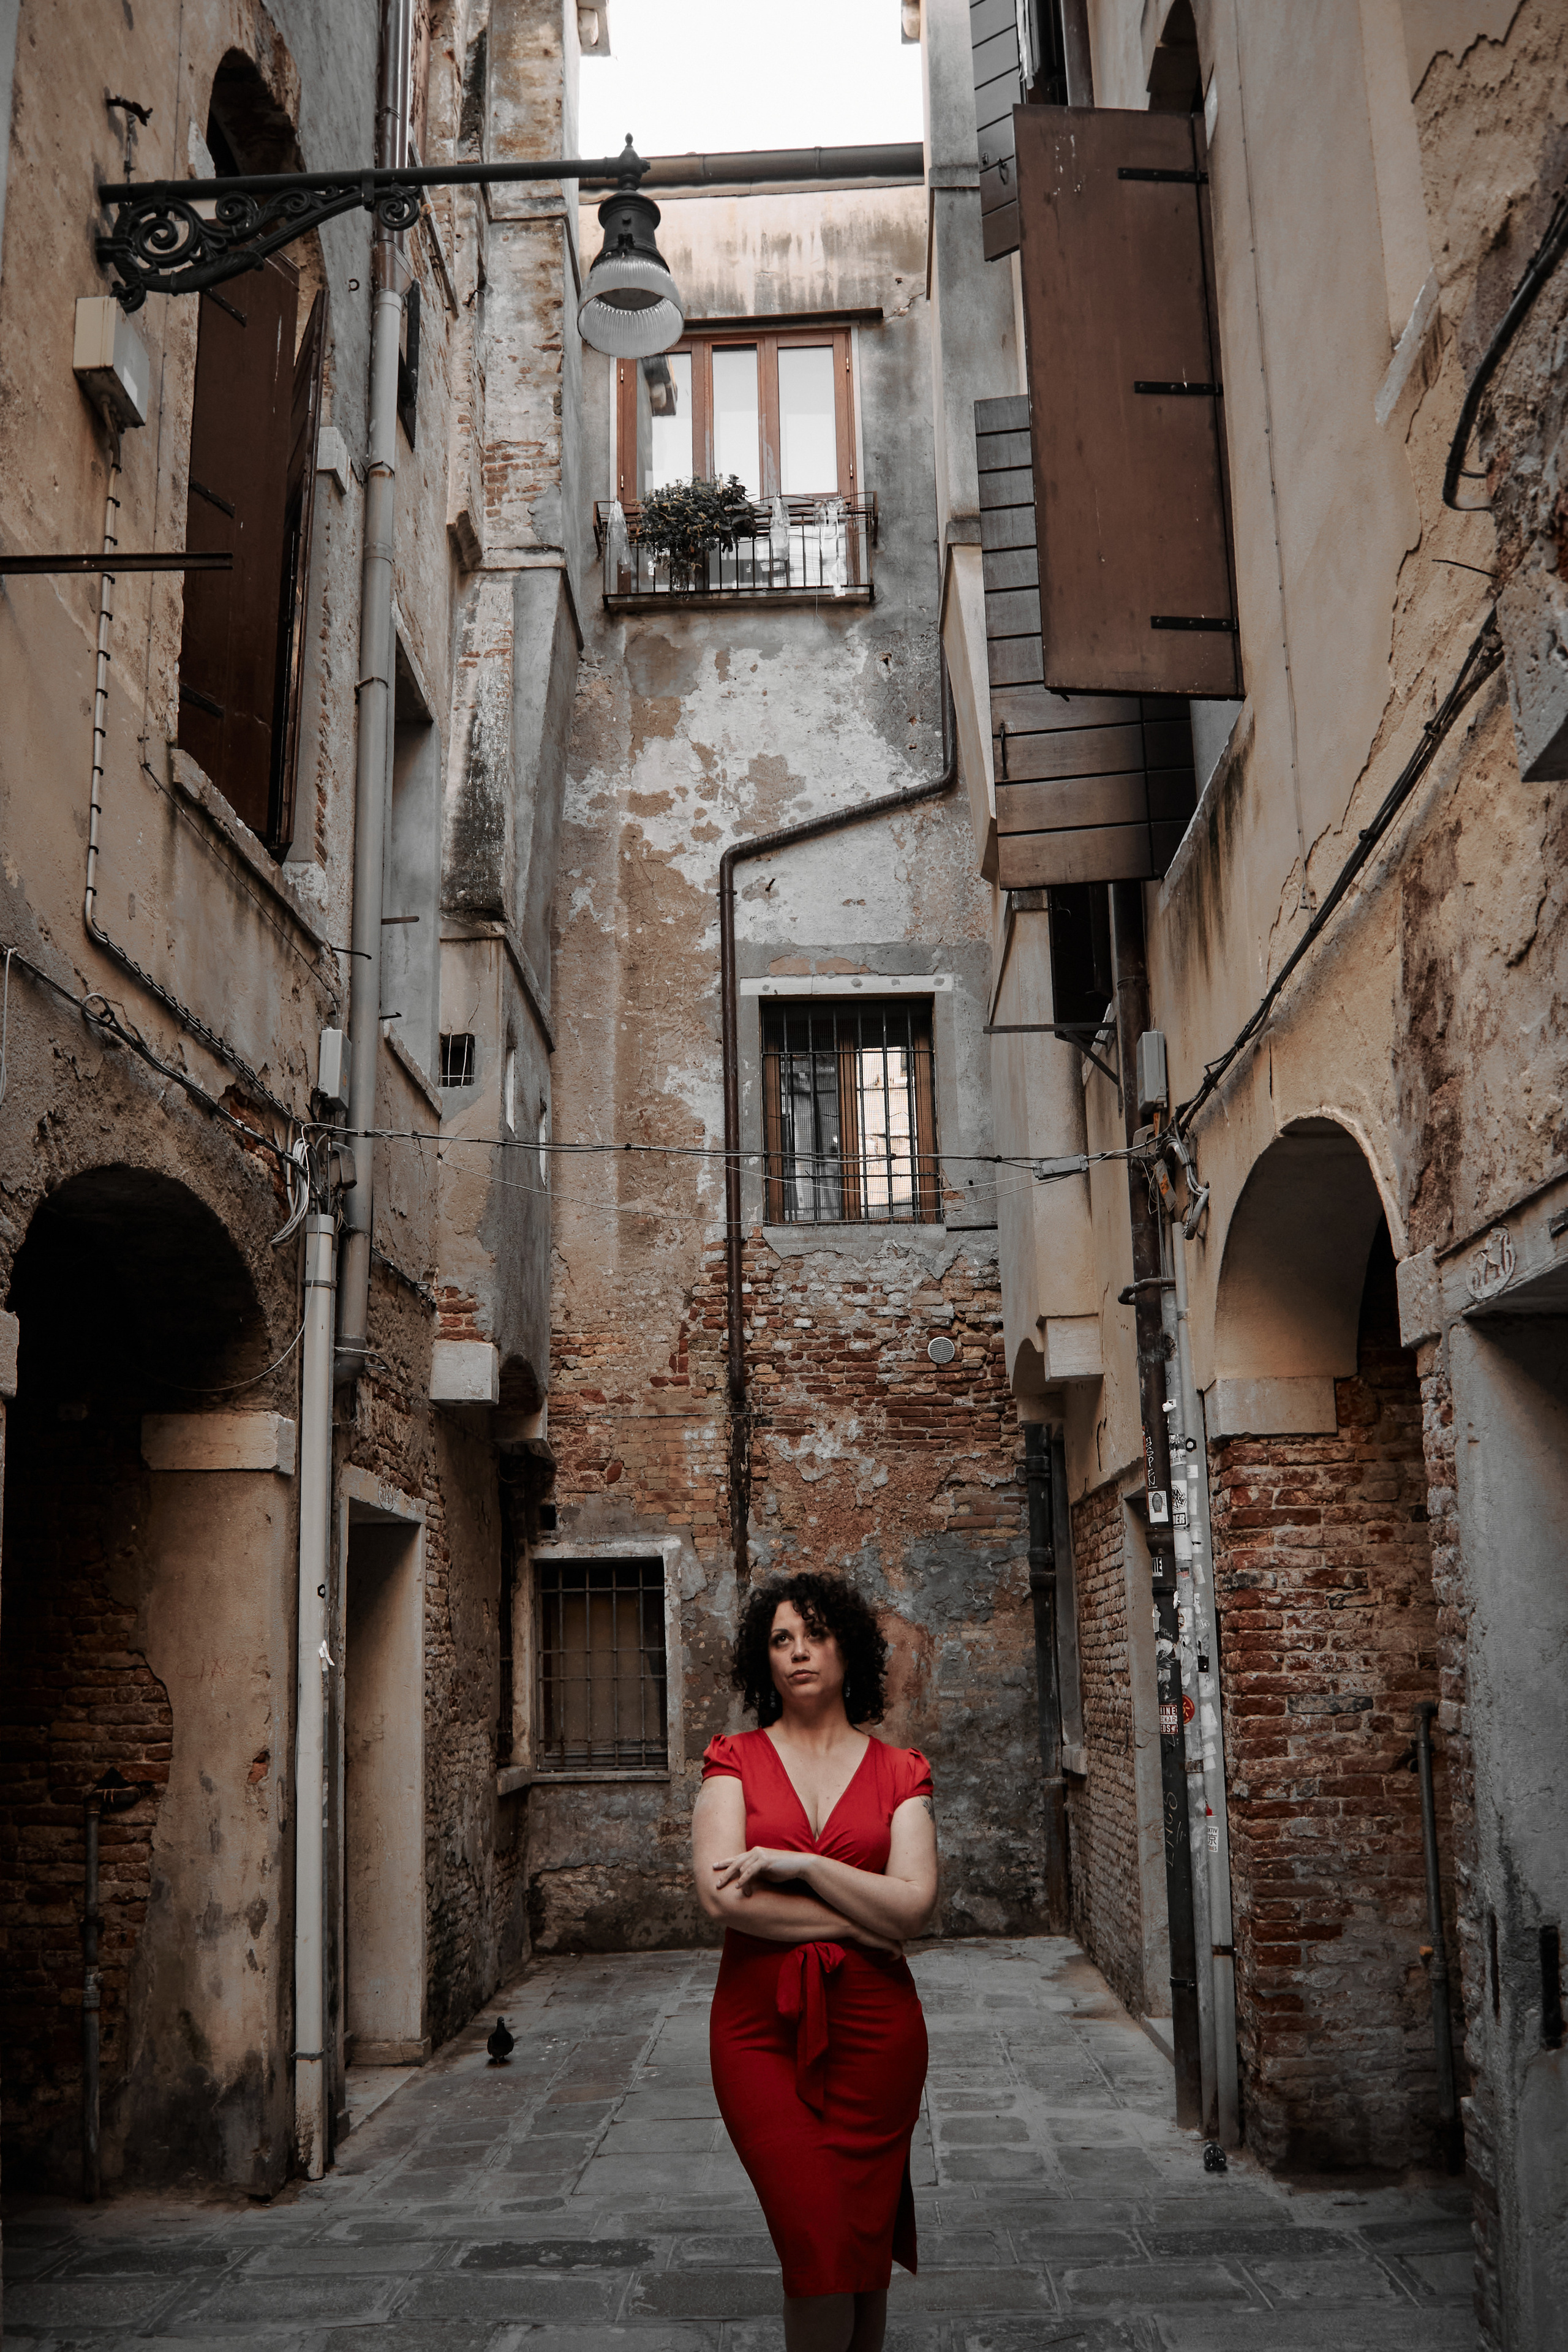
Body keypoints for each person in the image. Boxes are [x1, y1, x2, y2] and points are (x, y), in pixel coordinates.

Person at [692, 1570, 938, 2352]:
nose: (799, 1653)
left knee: (859, 2252)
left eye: (816, 1635)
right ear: (762, 1661)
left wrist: (802, 1868)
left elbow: (915, 1906)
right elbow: (724, 1899)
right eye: (780, 1640)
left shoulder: (903, 1772)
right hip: (759, 2033)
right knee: (819, 2248)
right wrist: (860, 1927)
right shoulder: (730, 1761)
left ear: (848, 1650)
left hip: (877, 2041)